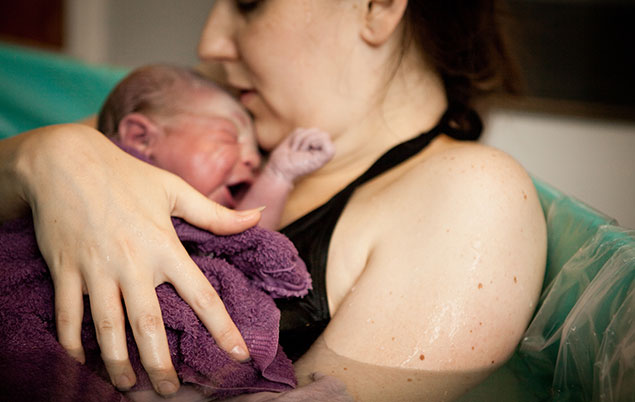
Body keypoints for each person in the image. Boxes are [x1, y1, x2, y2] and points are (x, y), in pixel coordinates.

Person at [0, 0, 547, 400]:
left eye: (248, 4)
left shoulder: (468, 197)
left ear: (378, 7)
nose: (210, 41)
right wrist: (50, 154)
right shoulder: (209, 107)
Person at [97, 64, 334, 230]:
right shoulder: (94, 201)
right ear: (141, 139)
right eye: (230, 136)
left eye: (257, 152)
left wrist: (278, 175)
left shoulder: (209, 230)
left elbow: (249, 240)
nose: (253, 160)